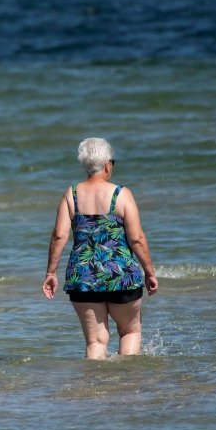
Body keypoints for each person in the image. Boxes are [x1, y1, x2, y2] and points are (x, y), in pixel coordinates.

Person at [41, 138, 159, 360]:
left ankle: (94, 389)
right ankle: (127, 386)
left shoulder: (72, 195)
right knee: (129, 332)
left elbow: (59, 236)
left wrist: (50, 273)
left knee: (95, 341)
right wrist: (150, 272)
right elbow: (137, 239)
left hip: (84, 277)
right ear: (107, 164)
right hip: (120, 275)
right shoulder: (121, 194)